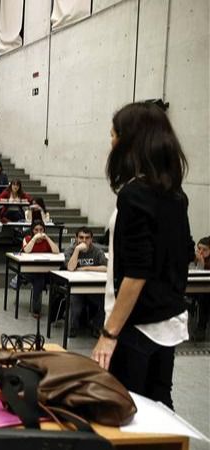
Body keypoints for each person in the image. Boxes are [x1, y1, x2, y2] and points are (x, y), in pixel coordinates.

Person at [92, 102, 193, 410]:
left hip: (135, 327)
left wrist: (109, 333)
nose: (110, 142)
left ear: (129, 141)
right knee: (159, 407)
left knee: (123, 411)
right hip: (167, 321)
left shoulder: (135, 194)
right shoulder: (175, 194)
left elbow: (136, 274)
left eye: (113, 135)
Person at [64, 227, 108, 337]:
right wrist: (77, 250)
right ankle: (73, 328)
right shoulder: (70, 250)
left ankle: (96, 326)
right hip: (75, 287)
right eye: (81, 238)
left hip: (93, 287)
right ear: (76, 238)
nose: (84, 241)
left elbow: (106, 267)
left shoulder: (97, 251)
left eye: (87, 238)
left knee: (106, 303)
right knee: (76, 309)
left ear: (91, 239)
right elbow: (70, 267)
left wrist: (86, 268)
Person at [22, 220, 60, 317]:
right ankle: (36, 309)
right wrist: (34, 239)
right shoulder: (27, 239)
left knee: (56, 279)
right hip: (29, 270)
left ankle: (56, 310)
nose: (39, 232)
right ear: (32, 230)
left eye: (41, 230)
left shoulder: (46, 241)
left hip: (45, 270)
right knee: (39, 279)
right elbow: (27, 251)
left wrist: (47, 238)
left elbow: (56, 251)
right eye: (36, 230)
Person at [189, 236, 210, 341]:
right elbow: (194, 275)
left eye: (205, 249)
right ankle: (200, 328)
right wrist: (200, 263)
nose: (201, 252)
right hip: (195, 291)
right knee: (203, 297)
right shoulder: (193, 259)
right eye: (199, 248)